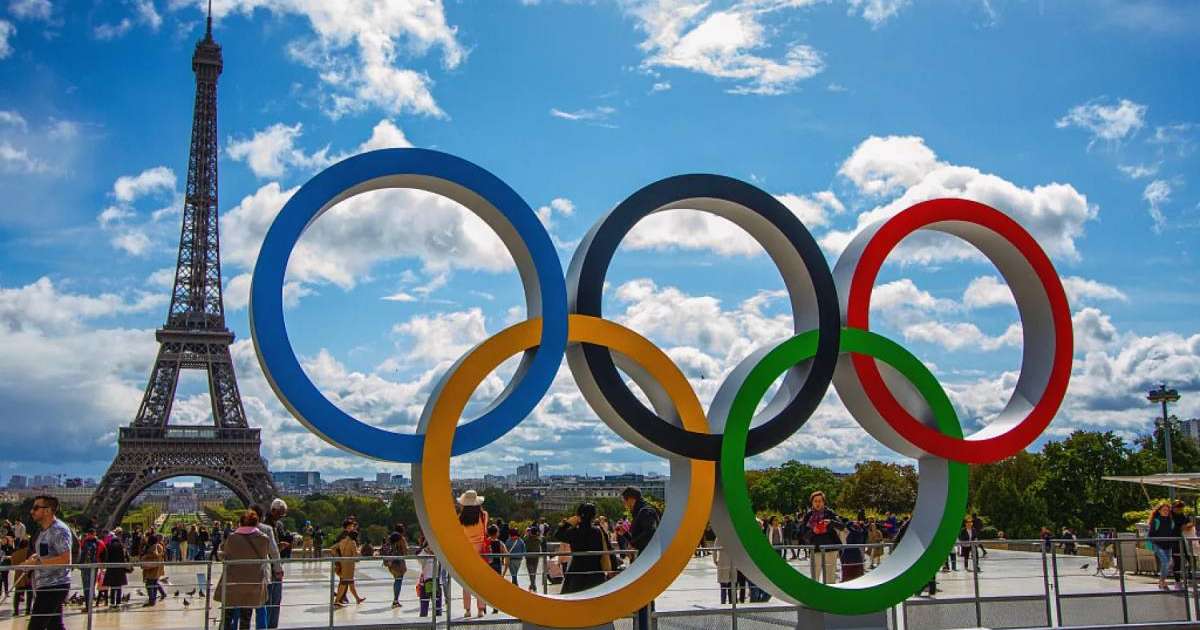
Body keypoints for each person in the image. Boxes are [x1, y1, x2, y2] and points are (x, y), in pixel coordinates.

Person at [20, 496, 72, 630]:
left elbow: (66, 559)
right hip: (47, 585)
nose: (32, 511)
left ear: (48, 510)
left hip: (54, 586)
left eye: (36, 508)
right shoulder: (45, 530)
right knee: (54, 626)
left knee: (35, 627)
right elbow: (47, 553)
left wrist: (36, 563)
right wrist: (33, 558)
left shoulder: (59, 530)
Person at [216, 511, 270, 629]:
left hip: (232, 583)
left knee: (228, 617)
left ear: (240, 523)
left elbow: (225, 555)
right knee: (246, 618)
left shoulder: (232, 538)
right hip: (252, 584)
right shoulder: (263, 539)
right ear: (256, 523)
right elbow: (264, 555)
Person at [555, 503, 609, 594]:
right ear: (593, 516)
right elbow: (607, 545)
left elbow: (558, 535)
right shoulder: (598, 532)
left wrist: (567, 523)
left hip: (577, 572)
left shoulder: (574, 532)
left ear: (578, 516)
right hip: (595, 572)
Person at [799, 490, 844, 584]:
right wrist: (813, 531)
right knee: (814, 578)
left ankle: (830, 593)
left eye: (820, 501)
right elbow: (803, 535)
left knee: (830, 579)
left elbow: (842, 526)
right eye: (815, 501)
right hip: (815, 549)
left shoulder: (830, 513)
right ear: (812, 502)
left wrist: (831, 522)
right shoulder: (808, 516)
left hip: (830, 548)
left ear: (824, 502)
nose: (818, 503)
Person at [457, 490, 489, 618]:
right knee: (480, 582)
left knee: (466, 582)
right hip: (480, 550)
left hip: (466, 551)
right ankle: (481, 609)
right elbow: (485, 531)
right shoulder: (483, 515)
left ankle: (467, 609)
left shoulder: (460, 518)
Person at [1149, 502, 1180, 591]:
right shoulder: (1156, 521)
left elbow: (1172, 533)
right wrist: (1155, 543)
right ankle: (1162, 582)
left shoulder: (1171, 521)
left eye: (1167, 510)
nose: (1166, 512)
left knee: (1168, 564)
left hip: (1168, 545)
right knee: (1165, 563)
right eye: (1164, 510)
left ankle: (1161, 581)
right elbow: (1151, 535)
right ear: (1159, 511)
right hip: (1158, 545)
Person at [332, 527, 364, 607]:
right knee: (344, 583)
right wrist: (359, 552)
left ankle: (357, 598)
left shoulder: (342, 541)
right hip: (349, 565)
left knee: (350, 583)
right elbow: (355, 556)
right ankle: (336, 601)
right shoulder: (352, 542)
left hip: (343, 563)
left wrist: (338, 559)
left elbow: (333, 548)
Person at [381, 529, 409, 609]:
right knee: (398, 581)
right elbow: (405, 552)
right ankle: (395, 600)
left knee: (397, 581)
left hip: (391, 567)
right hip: (397, 566)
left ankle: (396, 600)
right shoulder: (396, 547)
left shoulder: (388, 545)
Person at [101, 532, 129, 609]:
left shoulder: (109, 546)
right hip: (120, 569)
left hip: (111, 569)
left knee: (112, 586)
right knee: (119, 586)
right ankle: (118, 602)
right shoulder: (121, 546)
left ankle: (112, 602)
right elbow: (124, 557)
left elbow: (106, 557)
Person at [141, 533, 167, 606]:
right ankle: (154, 599)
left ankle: (152, 601)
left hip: (152, 569)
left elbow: (155, 555)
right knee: (154, 583)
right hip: (156, 568)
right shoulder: (159, 546)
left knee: (149, 584)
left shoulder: (155, 547)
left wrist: (145, 556)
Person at [840, 512, 867, 582]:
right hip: (853, 555)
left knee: (850, 575)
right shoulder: (860, 531)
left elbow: (847, 525)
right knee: (855, 575)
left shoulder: (856, 532)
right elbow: (848, 526)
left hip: (850, 555)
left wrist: (852, 522)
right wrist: (858, 524)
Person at [11, 536, 32, 617]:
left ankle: (16, 611)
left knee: (17, 594)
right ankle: (28, 610)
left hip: (18, 576)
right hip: (28, 576)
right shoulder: (29, 552)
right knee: (29, 594)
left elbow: (13, 565)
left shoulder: (15, 553)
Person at [713, 536, 736, 604]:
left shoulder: (719, 536)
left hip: (723, 563)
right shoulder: (733, 536)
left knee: (723, 587)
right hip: (732, 563)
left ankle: (723, 604)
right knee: (731, 587)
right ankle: (731, 604)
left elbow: (714, 550)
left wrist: (715, 560)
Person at [521, 526, 543, 592]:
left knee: (530, 572)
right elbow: (541, 538)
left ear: (530, 532)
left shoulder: (527, 539)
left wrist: (526, 533)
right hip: (536, 557)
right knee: (534, 572)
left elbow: (523, 539)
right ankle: (533, 585)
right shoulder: (538, 539)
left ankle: (533, 585)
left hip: (529, 557)